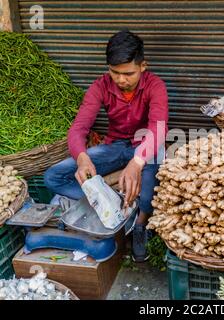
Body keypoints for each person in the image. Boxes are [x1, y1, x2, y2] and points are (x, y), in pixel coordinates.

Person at [44, 29, 169, 262]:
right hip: (115, 147)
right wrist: (82, 158)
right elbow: (79, 128)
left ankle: (140, 225)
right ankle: (105, 200)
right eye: (115, 72)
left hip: (146, 146)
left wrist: (136, 163)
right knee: (53, 177)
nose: (121, 79)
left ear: (143, 66)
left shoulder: (155, 86)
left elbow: (158, 129)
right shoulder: (100, 86)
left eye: (128, 73)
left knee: (149, 183)